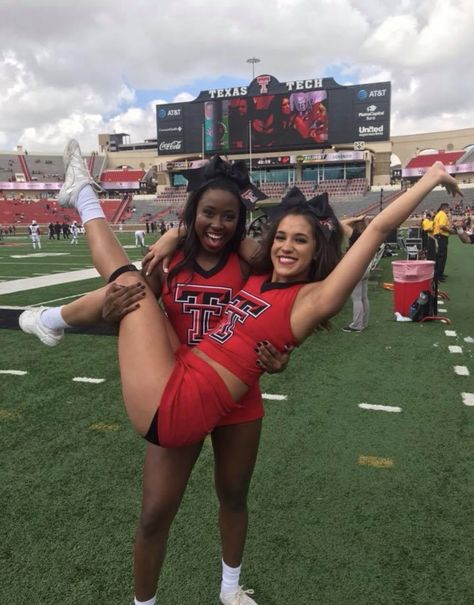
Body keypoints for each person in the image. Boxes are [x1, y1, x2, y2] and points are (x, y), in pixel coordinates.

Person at [53, 140, 461, 603]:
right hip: (182, 376)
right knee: (152, 514)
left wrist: (429, 179)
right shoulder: (255, 273)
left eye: (301, 241)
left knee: (127, 284)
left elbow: (378, 228)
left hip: (198, 402)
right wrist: (177, 233)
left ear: (317, 252)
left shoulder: (316, 298)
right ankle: (61, 283)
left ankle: (82, 198)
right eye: (281, 237)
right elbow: (235, 231)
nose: (286, 247)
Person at [19, 151, 289, 605]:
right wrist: (112, 309)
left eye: (228, 216)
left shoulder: (249, 262)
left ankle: (229, 589)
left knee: (235, 496)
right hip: (179, 387)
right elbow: (139, 320)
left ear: (240, 220)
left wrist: (279, 358)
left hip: (239, 395)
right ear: (192, 213)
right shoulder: (169, 262)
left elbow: (278, 313)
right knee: (154, 516)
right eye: (207, 214)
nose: (218, 224)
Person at [340, 216, 370, 333]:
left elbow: (340, 223)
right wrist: (364, 220)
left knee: (356, 299)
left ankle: (357, 325)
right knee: (364, 297)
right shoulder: (369, 233)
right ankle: (364, 322)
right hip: (366, 267)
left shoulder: (355, 235)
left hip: (357, 268)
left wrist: (357, 218)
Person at [432, 202, 452, 281]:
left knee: (439, 256)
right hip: (442, 236)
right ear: (445, 208)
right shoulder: (443, 215)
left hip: (438, 236)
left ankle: (439, 273)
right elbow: (442, 226)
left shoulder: (438, 214)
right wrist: (449, 230)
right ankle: (439, 275)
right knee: (442, 256)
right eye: (448, 208)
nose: (448, 210)